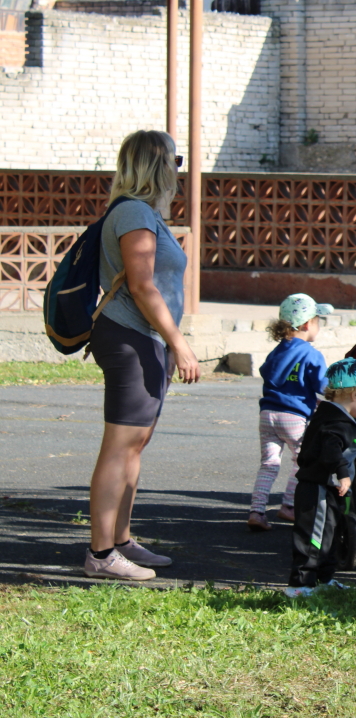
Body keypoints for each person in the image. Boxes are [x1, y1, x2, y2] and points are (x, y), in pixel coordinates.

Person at [84, 130, 198, 582]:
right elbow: (141, 285)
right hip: (131, 337)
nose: (178, 169)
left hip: (145, 339)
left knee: (135, 443)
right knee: (120, 444)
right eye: (175, 160)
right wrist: (179, 342)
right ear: (157, 165)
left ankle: (121, 539)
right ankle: (100, 554)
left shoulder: (145, 213)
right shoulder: (133, 212)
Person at [285, 358, 356, 597]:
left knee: (330, 536)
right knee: (313, 538)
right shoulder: (336, 422)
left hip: (327, 488)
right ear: (354, 394)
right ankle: (300, 585)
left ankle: (324, 579)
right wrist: (342, 474)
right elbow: (331, 448)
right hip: (317, 488)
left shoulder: (330, 416)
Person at [248, 293, 334, 532]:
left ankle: (257, 511)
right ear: (307, 324)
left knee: (269, 464)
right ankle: (289, 505)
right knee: (301, 461)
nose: (318, 326)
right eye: (318, 321)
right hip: (294, 418)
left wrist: (310, 400)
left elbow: (277, 380)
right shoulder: (310, 353)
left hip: (268, 414)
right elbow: (323, 386)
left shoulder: (277, 352)